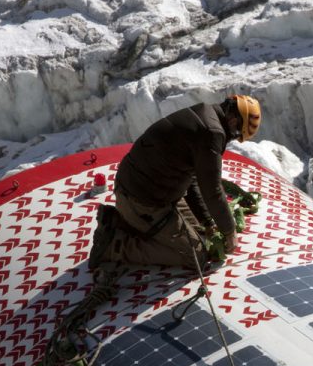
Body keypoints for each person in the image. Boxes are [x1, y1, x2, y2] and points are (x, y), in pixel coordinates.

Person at [90, 94, 261, 271]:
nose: (232, 138)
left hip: (141, 189)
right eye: (236, 135)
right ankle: (114, 247)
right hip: (144, 201)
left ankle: (120, 222)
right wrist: (229, 231)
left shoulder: (204, 113)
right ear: (233, 121)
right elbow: (213, 191)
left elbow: (192, 179)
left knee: (200, 234)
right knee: (196, 256)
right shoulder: (212, 133)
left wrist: (208, 223)